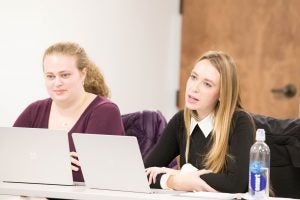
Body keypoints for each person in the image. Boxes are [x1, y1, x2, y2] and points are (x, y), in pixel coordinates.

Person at [145, 50, 255, 193]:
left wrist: (181, 175)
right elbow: (144, 174)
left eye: (207, 84)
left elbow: (235, 184)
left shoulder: (239, 122)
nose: (194, 88)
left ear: (222, 93)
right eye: (193, 77)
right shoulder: (181, 120)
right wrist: (173, 180)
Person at [14, 42, 125, 183]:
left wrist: (36, 160)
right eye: (50, 76)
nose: (57, 83)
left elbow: (85, 175)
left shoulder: (105, 112)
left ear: (83, 74)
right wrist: (54, 161)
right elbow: (8, 162)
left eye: (65, 75)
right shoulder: (34, 111)